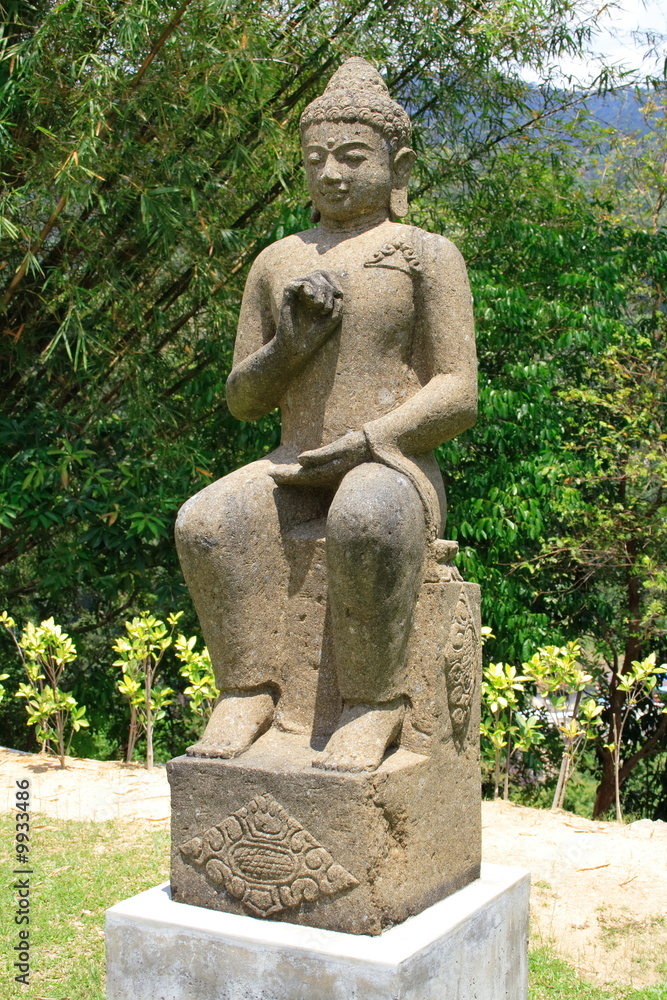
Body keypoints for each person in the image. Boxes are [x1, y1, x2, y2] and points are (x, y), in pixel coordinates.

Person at [175, 58, 477, 772]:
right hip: (295, 462)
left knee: (365, 516)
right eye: (316, 160)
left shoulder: (425, 255)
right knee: (206, 520)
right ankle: (247, 691)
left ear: (398, 165)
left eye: (352, 157)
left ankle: (373, 703)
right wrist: (290, 346)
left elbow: (459, 390)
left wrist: (371, 439)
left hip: (392, 465)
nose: (332, 174)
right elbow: (244, 401)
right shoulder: (278, 261)